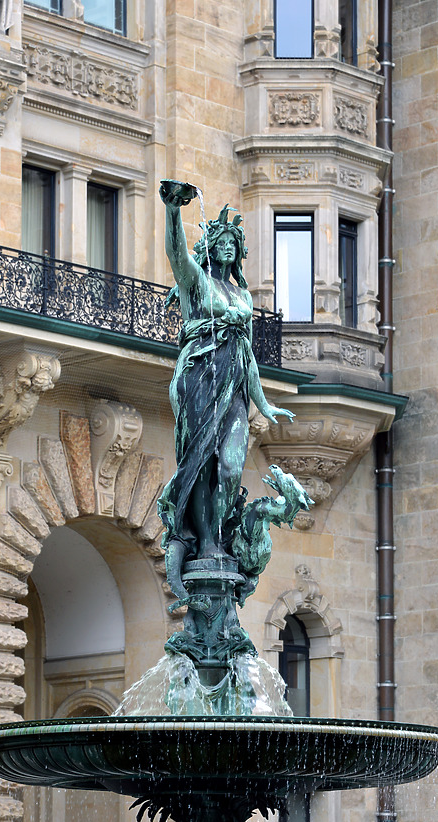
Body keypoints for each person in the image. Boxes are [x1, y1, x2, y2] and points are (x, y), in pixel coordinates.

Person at [157, 182, 295, 602]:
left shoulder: (242, 294)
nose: (229, 247)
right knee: (201, 464)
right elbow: (176, 255)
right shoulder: (197, 282)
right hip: (199, 376)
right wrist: (172, 212)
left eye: (235, 242)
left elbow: (247, 352)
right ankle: (208, 544)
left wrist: (264, 402)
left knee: (232, 466)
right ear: (212, 248)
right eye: (222, 241)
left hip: (233, 383)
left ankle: (217, 533)